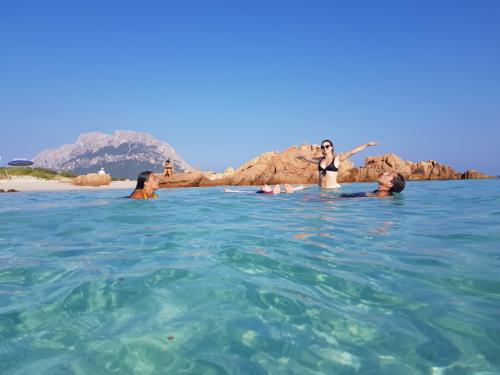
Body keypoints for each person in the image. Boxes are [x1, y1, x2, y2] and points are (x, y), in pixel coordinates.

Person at [298, 140, 380, 189]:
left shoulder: (336, 159)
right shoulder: (320, 160)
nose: (325, 148)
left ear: (331, 147)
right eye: (323, 147)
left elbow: (351, 152)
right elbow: (309, 158)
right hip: (321, 190)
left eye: (327, 146)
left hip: (332, 190)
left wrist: (366, 145)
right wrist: (301, 156)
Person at [341, 171, 406, 198]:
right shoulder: (377, 192)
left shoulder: (382, 195)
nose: (384, 173)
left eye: (388, 175)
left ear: (390, 184)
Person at [224, 184, 305, 194]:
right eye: (264, 186)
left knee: (285, 191)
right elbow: (245, 191)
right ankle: (289, 191)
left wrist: (298, 188)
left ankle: (289, 191)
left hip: (274, 193)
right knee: (285, 192)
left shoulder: (269, 192)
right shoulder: (262, 192)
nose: (265, 184)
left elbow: (245, 191)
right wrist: (230, 191)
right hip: (273, 194)